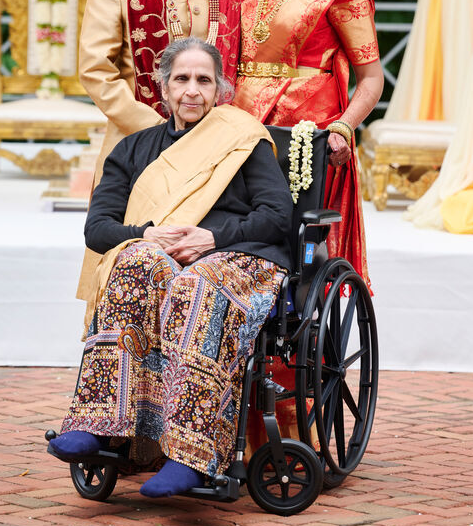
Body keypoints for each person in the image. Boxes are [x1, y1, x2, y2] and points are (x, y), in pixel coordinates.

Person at [49, 39, 293, 498]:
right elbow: (98, 229)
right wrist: (144, 233)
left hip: (241, 259)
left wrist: (214, 238)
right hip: (164, 255)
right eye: (182, 79)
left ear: (221, 88)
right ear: (162, 88)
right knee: (135, 262)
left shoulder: (242, 140)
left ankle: (191, 455)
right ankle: (102, 426)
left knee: (195, 286)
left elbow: (278, 216)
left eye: (204, 80)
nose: (192, 91)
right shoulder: (134, 149)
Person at [76, 0, 252, 315]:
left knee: (207, 258)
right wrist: (155, 129)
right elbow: (95, 67)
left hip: (221, 145)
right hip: (141, 142)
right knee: (129, 262)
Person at [233, 0, 384, 290]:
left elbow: (372, 79)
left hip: (303, 136)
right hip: (244, 123)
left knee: (289, 245)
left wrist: (344, 126)